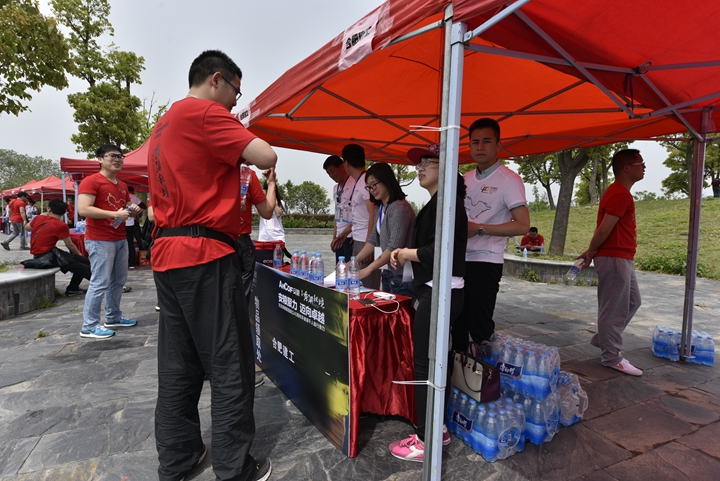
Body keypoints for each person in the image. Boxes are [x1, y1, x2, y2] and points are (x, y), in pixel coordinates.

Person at [148, 50, 276, 481]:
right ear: (216, 79)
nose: (236, 102)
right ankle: (235, 468)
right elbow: (266, 155)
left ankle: (179, 460)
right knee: (229, 363)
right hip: (205, 255)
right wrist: (239, 135)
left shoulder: (164, 122)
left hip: (167, 255)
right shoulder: (205, 113)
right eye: (236, 91)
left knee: (178, 365)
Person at [388, 144, 467, 462]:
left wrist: (404, 252)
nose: (420, 168)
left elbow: (437, 252)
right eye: (419, 164)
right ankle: (439, 428)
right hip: (441, 292)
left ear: (446, 167)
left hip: (439, 294)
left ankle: (424, 438)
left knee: (425, 364)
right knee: (436, 362)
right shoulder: (441, 202)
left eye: (428, 162)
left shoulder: (447, 203)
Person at [452, 118, 530, 351]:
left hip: (486, 262)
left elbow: (523, 225)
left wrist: (481, 229)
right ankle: (457, 370)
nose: (480, 147)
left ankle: (483, 371)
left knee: (480, 327)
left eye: (486, 141)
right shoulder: (464, 179)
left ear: (498, 144)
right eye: (475, 142)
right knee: (457, 323)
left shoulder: (509, 180)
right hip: (459, 260)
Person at [578, 149, 646, 376]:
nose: (644, 167)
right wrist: (591, 251)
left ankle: (604, 339)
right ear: (626, 168)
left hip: (622, 257)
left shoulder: (620, 193)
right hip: (615, 257)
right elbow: (603, 230)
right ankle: (611, 357)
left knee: (633, 301)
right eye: (640, 163)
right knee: (614, 310)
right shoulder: (619, 194)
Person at [78, 144, 142, 340]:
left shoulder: (121, 185)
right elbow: (84, 209)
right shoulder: (91, 181)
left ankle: (113, 316)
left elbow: (123, 209)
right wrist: (114, 214)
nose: (117, 159)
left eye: (120, 156)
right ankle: (89, 326)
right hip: (99, 239)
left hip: (119, 238)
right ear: (99, 159)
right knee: (100, 282)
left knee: (118, 281)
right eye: (112, 156)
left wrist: (132, 210)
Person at [355, 162, 415, 297]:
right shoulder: (380, 208)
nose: (371, 189)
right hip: (388, 270)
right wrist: (354, 261)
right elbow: (373, 239)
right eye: (368, 186)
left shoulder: (399, 208)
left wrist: (369, 269)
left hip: (402, 273)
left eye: (374, 185)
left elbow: (394, 246)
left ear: (386, 181)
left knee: (400, 308)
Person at [25, 199, 91, 296]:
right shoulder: (61, 225)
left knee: (83, 260)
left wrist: (43, 215)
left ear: (49, 209)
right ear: (64, 212)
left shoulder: (39, 218)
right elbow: (69, 244)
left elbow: (27, 227)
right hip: (47, 257)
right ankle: (103, 285)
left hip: (45, 253)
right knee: (83, 268)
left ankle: (73, 288)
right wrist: (79, 254)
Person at [342, 144, 379, 289]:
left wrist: (369, 244)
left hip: (366, 240)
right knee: (356, 282)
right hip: (358, 238)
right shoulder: (359, 181)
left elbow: (373, 214)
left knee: (367, 284)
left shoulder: (365, 181)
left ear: (346, 163)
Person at [324, 155, 354, 262]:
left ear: (342, 166)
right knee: (340, 268)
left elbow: (361, 213)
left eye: (333, 171)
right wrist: (334, 237)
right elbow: (336, 214)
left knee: (351, 268)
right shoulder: (335, 188)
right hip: (339, 236)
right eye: (328, 173)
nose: (331, 175)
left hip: (351, 236)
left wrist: (356, 234)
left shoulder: (354, 184)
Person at [257, 178, 285, 243]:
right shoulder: (263, 202)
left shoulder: (280, 202)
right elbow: (258, 212)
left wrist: (273, 200)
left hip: (277, 237)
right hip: (263, 238)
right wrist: (262, 198)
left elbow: (278, 214)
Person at [125, 186, 147, 268]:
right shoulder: (133, 197)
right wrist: (136, 213)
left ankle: (125, 263)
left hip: (122, 223)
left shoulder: (122, 195)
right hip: (130, 223)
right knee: (130, 243)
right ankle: (131, 263)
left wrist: (136, 213)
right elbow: (143, 206)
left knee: (122, 243)